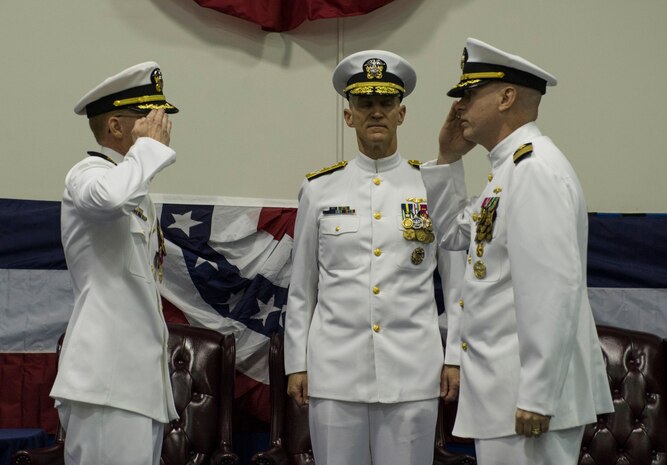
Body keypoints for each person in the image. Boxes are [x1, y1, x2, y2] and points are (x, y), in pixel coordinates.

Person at [420, 38, 615, 465]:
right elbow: (452, 234)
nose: (459, 107)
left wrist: (538, 395)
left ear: (507, 97)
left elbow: (553, 289)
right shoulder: (507, 172)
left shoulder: (535, 170)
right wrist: (448, 158)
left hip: (526, 401)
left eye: (470, 94)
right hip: (505, 397)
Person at [284, 50, 465, 465]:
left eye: (386, 103)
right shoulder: (319, 190)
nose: (376, 113)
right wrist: (298, 363)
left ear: (402, 113)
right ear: (349, 116)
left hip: (412, 372)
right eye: (365, 103)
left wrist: (454, 354)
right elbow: (302, 287)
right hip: (335, 372)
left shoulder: (429, 185)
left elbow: (456, 284)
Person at [50, 61, 179, 465]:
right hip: (106, 381)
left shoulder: (135, 190)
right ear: (116, 128)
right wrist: (147, 151)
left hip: (136, 386)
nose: (160, 124)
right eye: (147, 116)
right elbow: (107, 199)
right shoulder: (87, 173)